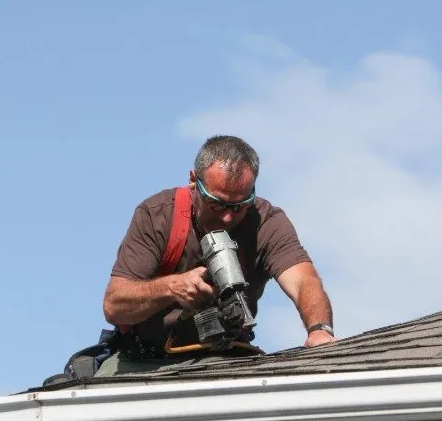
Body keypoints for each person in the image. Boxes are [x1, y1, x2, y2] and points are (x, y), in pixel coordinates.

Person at [96, 135, 336, 376]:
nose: (228, 218)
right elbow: (114, 306)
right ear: (193, 181)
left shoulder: (267, 222)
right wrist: (171, 288)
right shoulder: (157, 215)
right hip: (144, 361)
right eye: (217, 204)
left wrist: (319, 329)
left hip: (225, 358)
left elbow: (303, 279)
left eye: (240, 205)